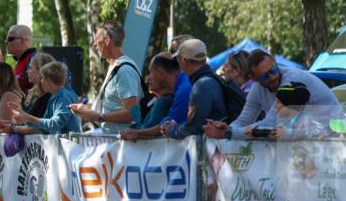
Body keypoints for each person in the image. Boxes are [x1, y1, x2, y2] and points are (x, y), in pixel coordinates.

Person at [205, 49, 340, 140]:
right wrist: (225, 128)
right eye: (264, 77)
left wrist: (228, 133)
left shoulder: (291, 83)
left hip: (331, 140)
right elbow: (244, 121)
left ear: (275, 63)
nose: (273, 77)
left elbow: (269, 125)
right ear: (253, 79)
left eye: (274, 69)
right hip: (310, 140)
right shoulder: (257, 90)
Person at [70, 21, 142, 134]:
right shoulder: (114, 66)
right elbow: (112, 104)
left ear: (107, 40)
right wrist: (85, 108)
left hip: (121, 144)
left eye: (97, 39)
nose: (94, 44)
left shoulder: (124, 71)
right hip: (112, 140)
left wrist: (99, 117)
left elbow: (132, 114)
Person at [5, 61, 81, 135]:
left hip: (70, 145)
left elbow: (54, 125)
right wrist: (22, 119)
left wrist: (28, 118)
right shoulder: (54, 97)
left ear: (48, 81)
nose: (41, 82)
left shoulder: (64, 97)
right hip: (64, 146)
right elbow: (43, 127)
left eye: (42, 78)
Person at [119, 53, 184, 141]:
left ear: (161, 73)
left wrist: (133, 129)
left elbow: (149, 129)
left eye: (151, 72)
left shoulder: (163, 101)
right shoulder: (177, 96)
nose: (148, 78)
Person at [5, 24, 37, 94]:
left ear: (22, 41)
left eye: (10, 39)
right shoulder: (21, 60)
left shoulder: (34, 59)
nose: (6, 42)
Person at [23, 52, 56, 118]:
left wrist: (14, 127)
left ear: (40, 70)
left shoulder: (48, 96)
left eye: (30, 68)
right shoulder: (34, 93)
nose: (27, 71)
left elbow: (40, 126)